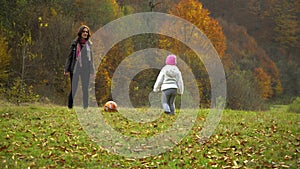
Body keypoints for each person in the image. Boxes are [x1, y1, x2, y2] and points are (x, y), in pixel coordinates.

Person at [64, 25, 95, 109]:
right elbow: (70, 57)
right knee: (74, 87)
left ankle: (85, 107)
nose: (85, 33)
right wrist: (66, 69)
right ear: (80, 33)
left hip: (86, 69)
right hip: (75, 69)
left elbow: (91, 58)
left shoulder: (89, 44)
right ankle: (70, 106)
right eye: (83, 32)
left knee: (85, 88)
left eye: (86, 32)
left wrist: (92, 70)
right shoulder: (74, 44)